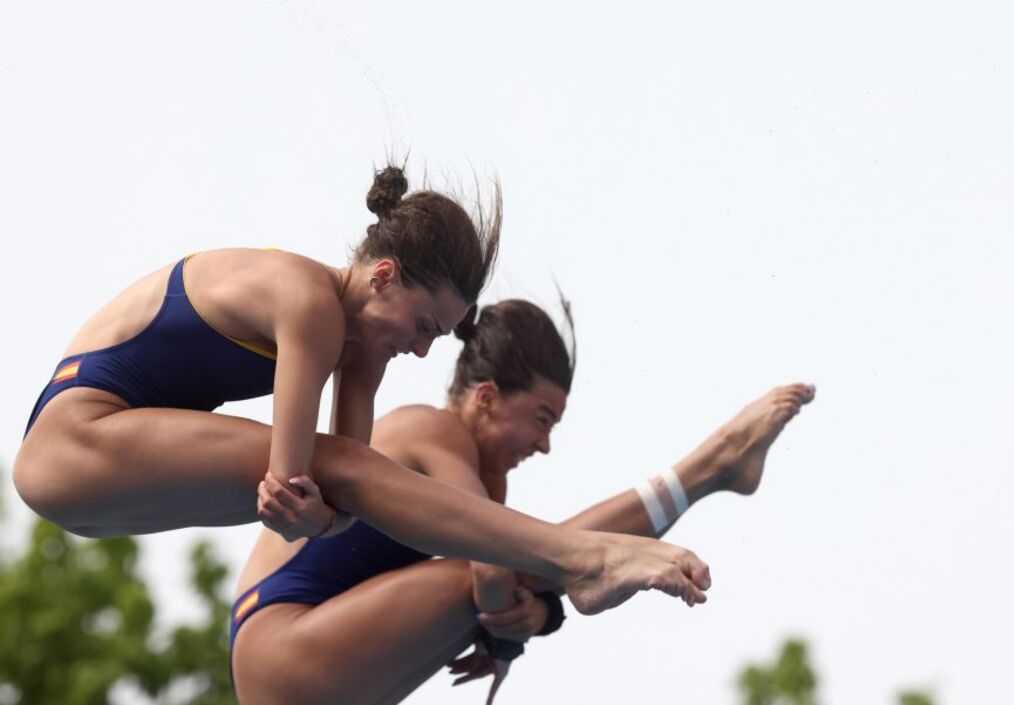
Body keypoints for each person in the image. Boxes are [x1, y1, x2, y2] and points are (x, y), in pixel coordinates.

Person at [12, 165, 710, 616]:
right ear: (381, 276)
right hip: (71, 442)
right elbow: (296, 483)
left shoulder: (359, 351)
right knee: (344, 467)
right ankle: (583, 556)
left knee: (349, 474)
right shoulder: (309, 305)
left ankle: (574, 556)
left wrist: (310, 511)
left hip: (101, 476)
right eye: (426, 323)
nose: (425, 348)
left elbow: (332, 511)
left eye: (442, 335)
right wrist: (306, 507)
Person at [232, 297, 815, 705]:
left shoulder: (488, 485)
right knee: (516, 556)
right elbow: (492, 572)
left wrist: (519, 626)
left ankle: (710, 471)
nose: (544, 445)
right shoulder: (432, 432)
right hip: (280, 655)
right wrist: (527, 618)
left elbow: (503, 591)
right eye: (540, 420)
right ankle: (710, 466)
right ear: (485, 397)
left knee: (520, 559)